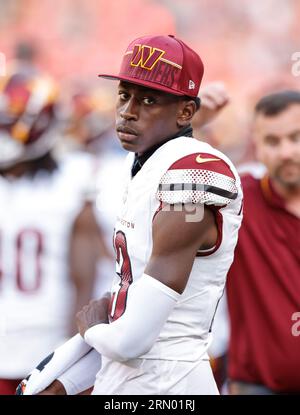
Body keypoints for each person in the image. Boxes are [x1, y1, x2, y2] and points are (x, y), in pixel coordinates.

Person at [17, 34, 243, 395]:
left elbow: (132, 341)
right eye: (124, 95)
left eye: (149, 100)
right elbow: (123, 315)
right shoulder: (136, 164)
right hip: (128, 378)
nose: (128, 111)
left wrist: (89, 329)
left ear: (185, 112)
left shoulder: (192, 172)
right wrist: (64, 379)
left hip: (171, 384)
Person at [0, 70, 108, 394]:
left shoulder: (74, 182)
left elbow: (84, 277)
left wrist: (73, 353)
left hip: (45, 344)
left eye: (10, 120)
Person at [226, 90, 300, 394]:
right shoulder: (237, 201)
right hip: (256, 386)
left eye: (296, 138)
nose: (285, 152)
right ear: (255, 146)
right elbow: (174, 202)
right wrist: (196, 123)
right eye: (272, 141)